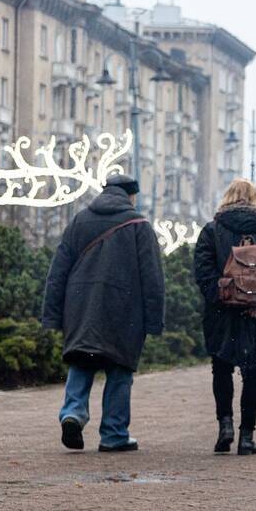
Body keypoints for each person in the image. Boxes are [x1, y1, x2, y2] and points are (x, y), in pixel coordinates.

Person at [42, 174, 165, 452]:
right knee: (119, 369)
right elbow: (152, 279)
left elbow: (57, 271)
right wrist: (154, 321)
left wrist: (52, 315)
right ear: (131, 196)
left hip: (80, 306)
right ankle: (113, 434)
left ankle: (73, 413)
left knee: (82, 360)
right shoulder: (139, 226)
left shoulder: (79, 221)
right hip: (125, 310)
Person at [193, 180, 256, 456]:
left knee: (222, 368)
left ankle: (225, 427)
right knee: (254, 372)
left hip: (221, 315)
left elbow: (202, 272)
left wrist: (222, 297)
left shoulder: (212, 231)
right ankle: (247, 437)